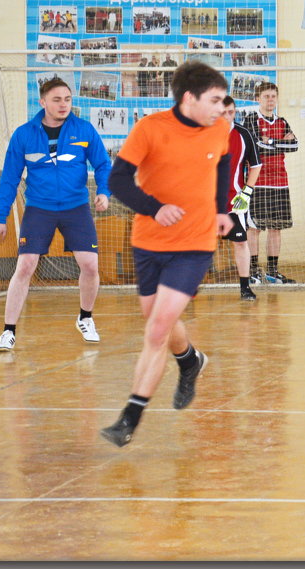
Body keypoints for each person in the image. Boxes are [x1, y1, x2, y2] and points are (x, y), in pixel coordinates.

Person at [99, 60, 233, 447]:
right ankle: (190, 360)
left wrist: (222, 208)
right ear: (189, 98)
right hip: (149, 241)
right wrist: (154, 208)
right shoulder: (150, 129)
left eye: (222, 101)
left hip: (195, 243)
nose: (221, 108)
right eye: (214, 100)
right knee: (157, 320)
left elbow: (223, 162)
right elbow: (118, 180)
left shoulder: (219, 129)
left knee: (156, 329)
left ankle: (129, 418)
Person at [0, 78, 112, 351]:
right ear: (42, 102)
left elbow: (103, 164)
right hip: (39, 208)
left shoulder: (84, 129)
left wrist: (104, 191)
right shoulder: (24, 134)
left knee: (90, 265)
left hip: (76, 207)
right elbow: (9, 179)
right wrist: (0, 218)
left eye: (67, 99)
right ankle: (8, 331)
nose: (63, 105)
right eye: (56, 100)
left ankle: (85, 318)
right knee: (25, 266)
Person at [242, 82, 299, 284]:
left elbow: (295, 145)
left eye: (273, 96)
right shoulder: (250, 119)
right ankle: (253, 271)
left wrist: (271, 142)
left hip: (280, 183)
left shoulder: (282, 121)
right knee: (254, 228)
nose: (270, 100)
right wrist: (280, 142)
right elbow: (256, 144)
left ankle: (272, 272)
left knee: (276, 228)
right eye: (266, 96)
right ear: (258, 99)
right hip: (257, 182)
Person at [220, 95, 262, 301]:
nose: (228, 116)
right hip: (205, 201)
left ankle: (245, 287)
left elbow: (256, 165)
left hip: (234, 200)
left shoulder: (244, 134)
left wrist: (247, 192)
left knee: (240, 242)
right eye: (223, 112)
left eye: (231, 112)